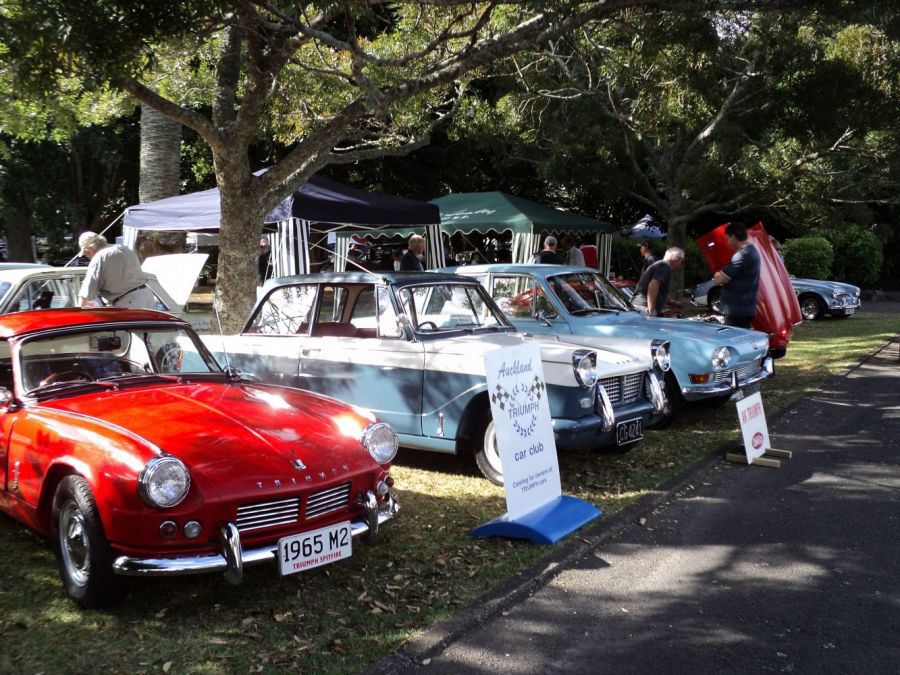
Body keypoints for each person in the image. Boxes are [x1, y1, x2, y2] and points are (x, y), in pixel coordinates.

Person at [78, 231, 156, 309]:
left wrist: (79, 311)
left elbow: (86, 293)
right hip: (147, 296)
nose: (87, 257)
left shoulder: (99, 257)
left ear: (90, 249)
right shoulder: (123, 248)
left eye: (86, 253)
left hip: (130, 302)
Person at [713, 222, 761, 328]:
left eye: (728, 238)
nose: (728, 242)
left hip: (737, 310)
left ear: (733, 236)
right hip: (744, 309)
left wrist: (716, 272)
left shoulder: (741, 255)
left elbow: (720, 279)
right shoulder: (752, 251)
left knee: (732, 337)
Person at [630, 247, 685, 317]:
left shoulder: (660, 265)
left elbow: (657, 291)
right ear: (678, 259)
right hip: (644, 307)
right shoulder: (665, 266)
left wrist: (671, 304)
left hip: (640, 305)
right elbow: (653, 286)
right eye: (682, 262)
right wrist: (651, 311)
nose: (681, 265)